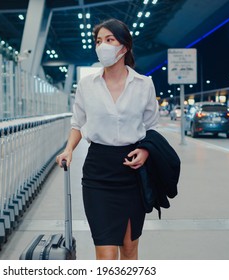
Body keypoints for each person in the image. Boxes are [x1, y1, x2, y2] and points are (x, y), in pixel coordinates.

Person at [55, 18, 159, 260]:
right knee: (106, 253)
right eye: (99, 41)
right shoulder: (87, 85)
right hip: (98, 172)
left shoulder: (144, 85)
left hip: (133, 170)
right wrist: (69, 149)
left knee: (129, 248)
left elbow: (153, 128)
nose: (102, 45)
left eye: (109, 40)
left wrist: (145, 151)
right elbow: (77, 123)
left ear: (124, 47)